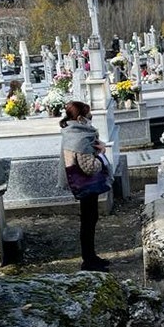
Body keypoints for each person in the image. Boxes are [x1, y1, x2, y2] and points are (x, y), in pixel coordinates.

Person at [59, 101, 111, 272]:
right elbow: (89, 167)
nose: (91, 118)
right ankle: (88, 261)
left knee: (90, 220)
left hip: (86, 185)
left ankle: (92, 257)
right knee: (88, 222)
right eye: (89, 115)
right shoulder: (78, 138)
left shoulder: (77, 133)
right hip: (85, 185)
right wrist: (101, 154)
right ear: (80, 118)